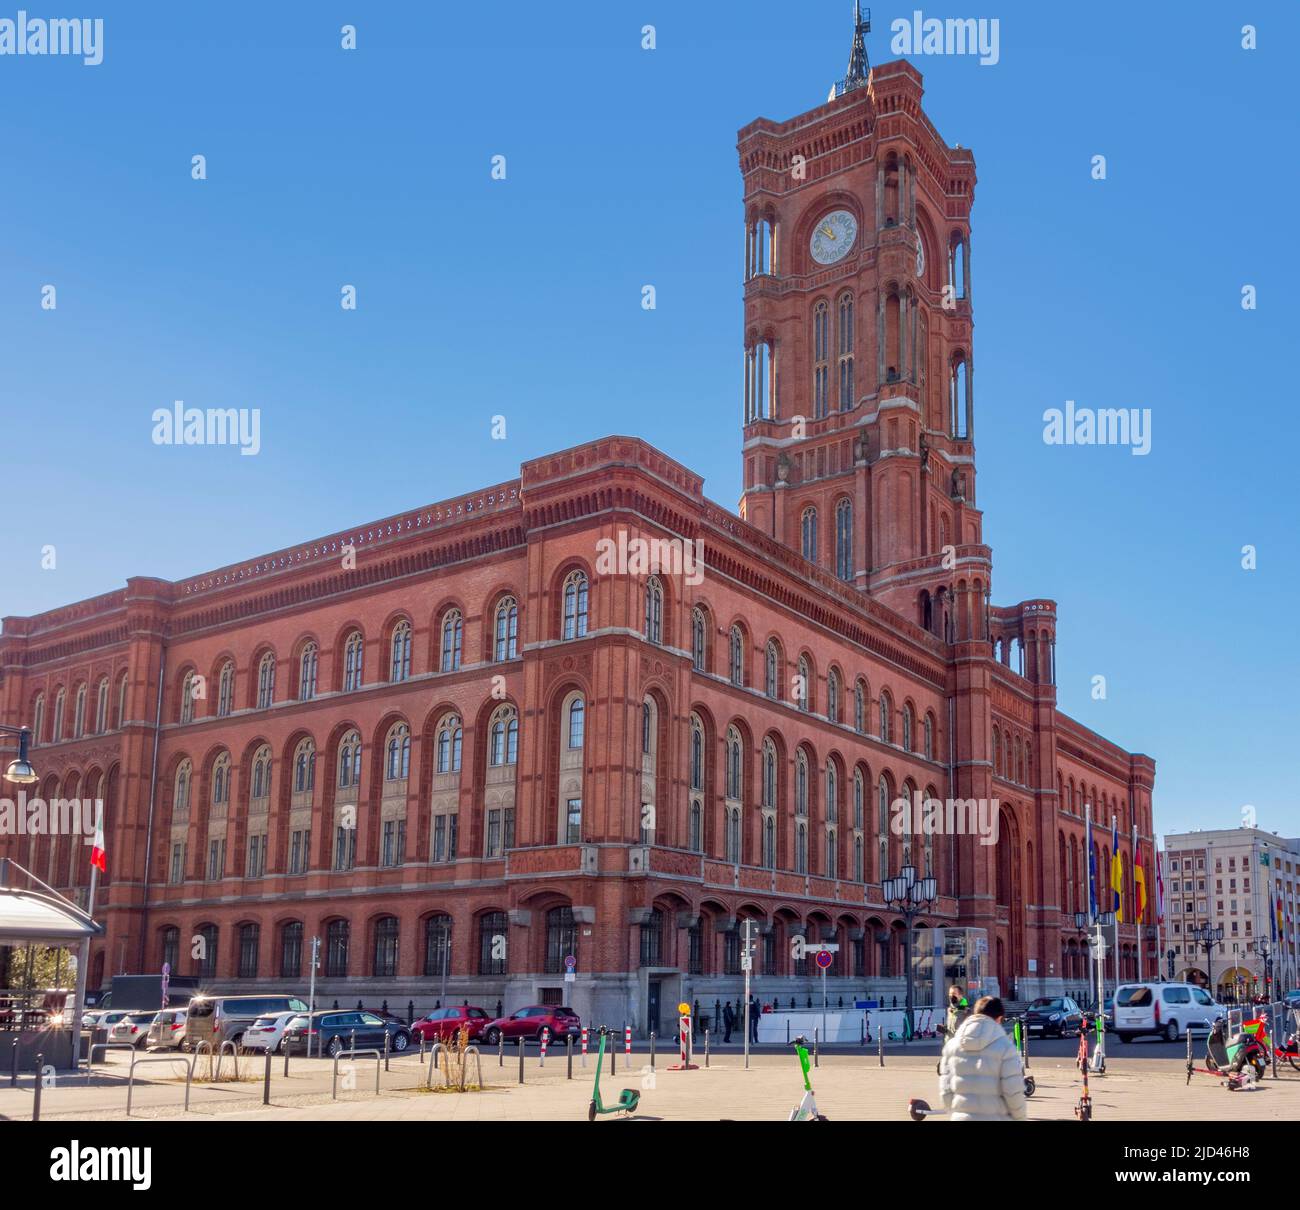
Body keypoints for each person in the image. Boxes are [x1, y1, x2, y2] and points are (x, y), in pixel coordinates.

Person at [938, 995, 1028, 1121]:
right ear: (999, 1018)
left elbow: (945, 1090)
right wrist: (1020, 1118)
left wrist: (957, 1112)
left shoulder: (952, 1046)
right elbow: (1013, 1092)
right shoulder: (1005, 1048)